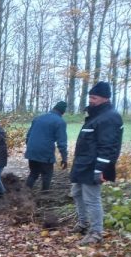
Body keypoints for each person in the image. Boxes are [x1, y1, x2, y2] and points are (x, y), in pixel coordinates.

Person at [70, 81, 124, 245]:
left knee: (92, 199)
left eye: (94, 97)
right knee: (77, 193)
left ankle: (96, 232)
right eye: (90, 97)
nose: (91, 100)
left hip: (94, 167)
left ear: (105, 98)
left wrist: (100, 169)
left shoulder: (110, 117)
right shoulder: (97, 115)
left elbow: (107, 147)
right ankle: (83, 223)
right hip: (83, 165)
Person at [25, 101, 68, 191]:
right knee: (47, 174)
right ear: (63, 112)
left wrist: (30, 148)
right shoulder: (60, 122)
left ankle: (24, 194)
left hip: (32, 150)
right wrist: (64, 158)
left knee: (33, 173)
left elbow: (28, 136)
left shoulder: (38, 118)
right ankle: (44, 195)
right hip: (45, 152)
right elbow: (62, 143)